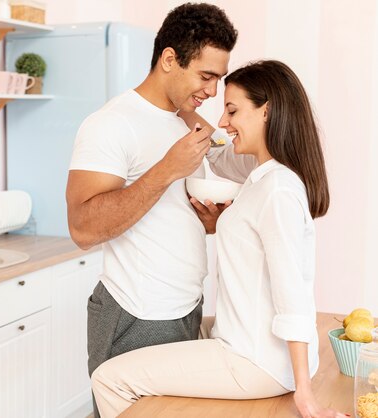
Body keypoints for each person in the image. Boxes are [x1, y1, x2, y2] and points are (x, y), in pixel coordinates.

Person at [91, 60, 349, 418]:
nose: (223, 123)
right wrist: (179, 101)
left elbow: (293, 297)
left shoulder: (277, 189)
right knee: (182, 328)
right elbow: (217, 152)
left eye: (232, 110)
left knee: (108, 377)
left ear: (267, 111)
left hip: (255, 360)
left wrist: (305, 394)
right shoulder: (265, 175)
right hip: (251, 345)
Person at [66, 3, 238, 416]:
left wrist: (209, 224)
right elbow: (83, 228)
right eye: (206, 76)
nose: (213, 91)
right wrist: (166, 170)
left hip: (186, 306)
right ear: (169, 59)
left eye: (219, 78)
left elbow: (168, 214)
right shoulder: (110, 124)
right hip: (136, 315)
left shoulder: (188, 120)